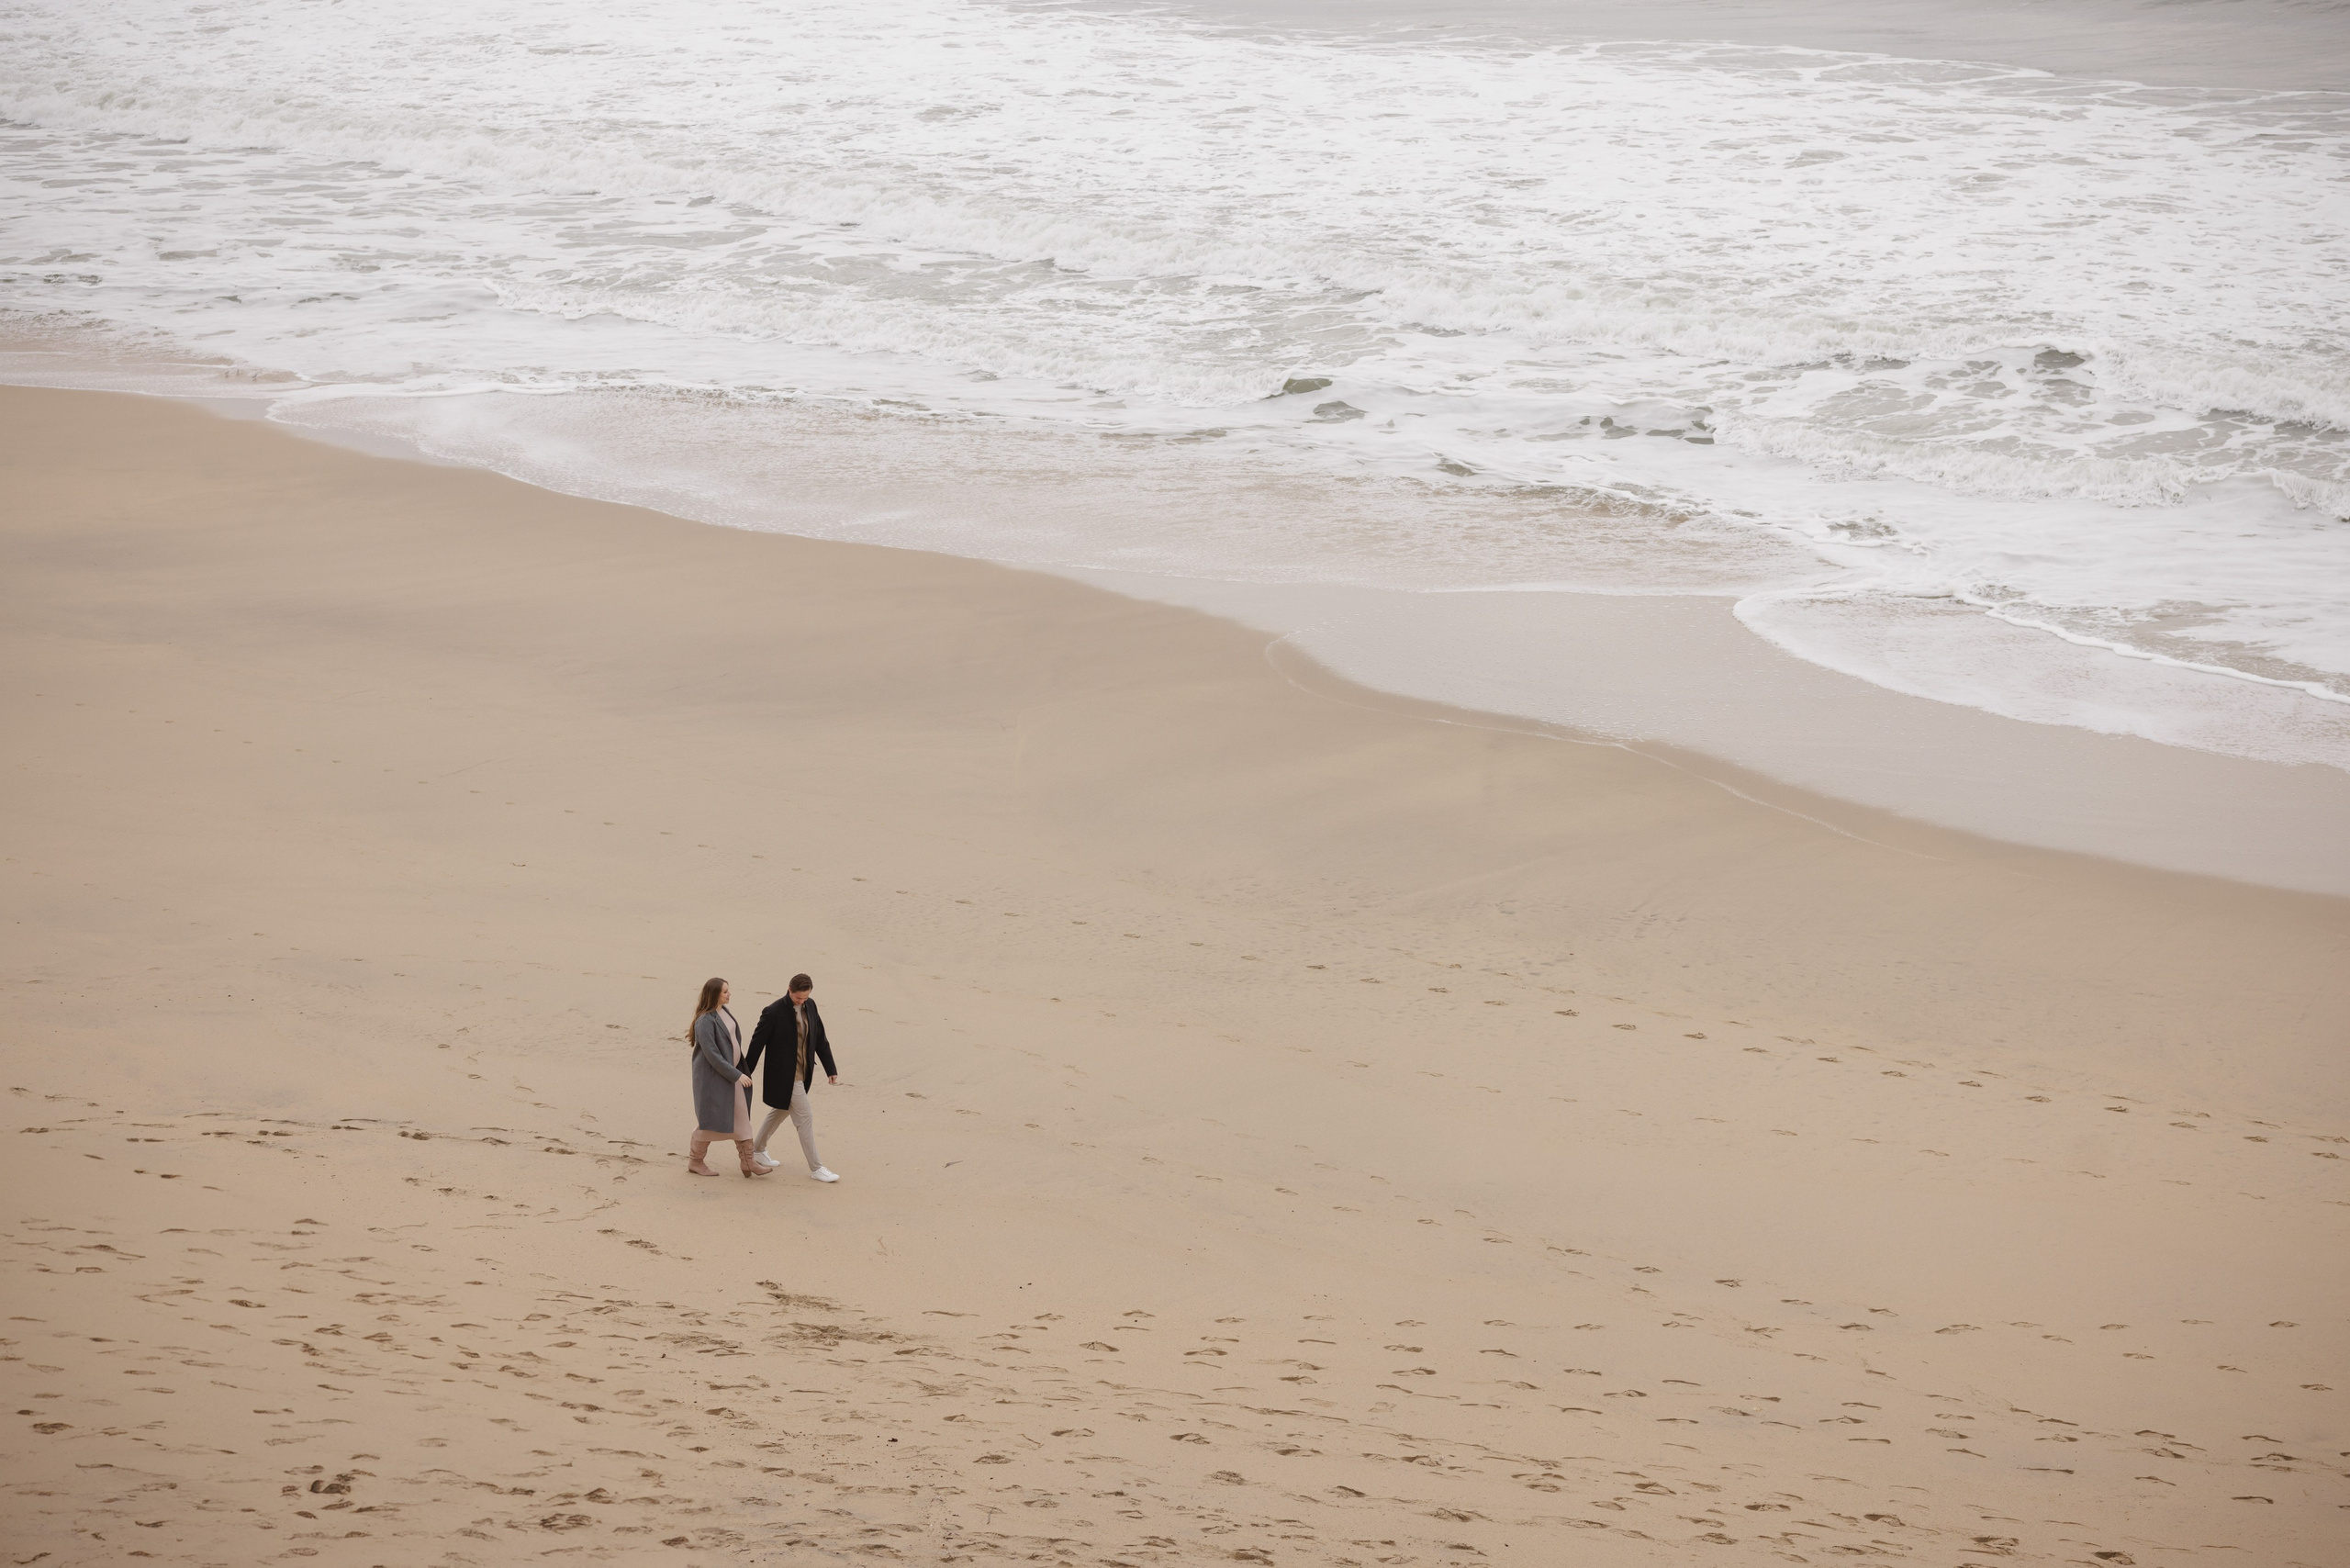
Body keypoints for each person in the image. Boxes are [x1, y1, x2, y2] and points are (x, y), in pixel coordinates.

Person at [742, 972, 842, 1182]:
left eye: (805, 998)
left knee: (781, 1110)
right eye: (798, 998)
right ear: (789, 990)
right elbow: (756, 1044)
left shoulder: (811, 1006)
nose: (802, 1001)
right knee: (804, 1117)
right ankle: (817, 1168)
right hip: (784, 1076)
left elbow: (820, 1038)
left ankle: (757, 1150)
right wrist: (743, 1073)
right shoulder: (773, 1012)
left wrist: (830, 1068)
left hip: (804, 1073)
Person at [687, 977, 769, 1178]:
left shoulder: (724, 1012)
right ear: (714, 994)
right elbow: (712, 1055)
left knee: (741, 1117)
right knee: (710, 1123)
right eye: (725, 991)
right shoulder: (705, 1021)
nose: (729, 994)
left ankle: (748, 1162)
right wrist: (736, 1075)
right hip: (714, 1080)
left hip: (732, 1075)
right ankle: (695, 1161)